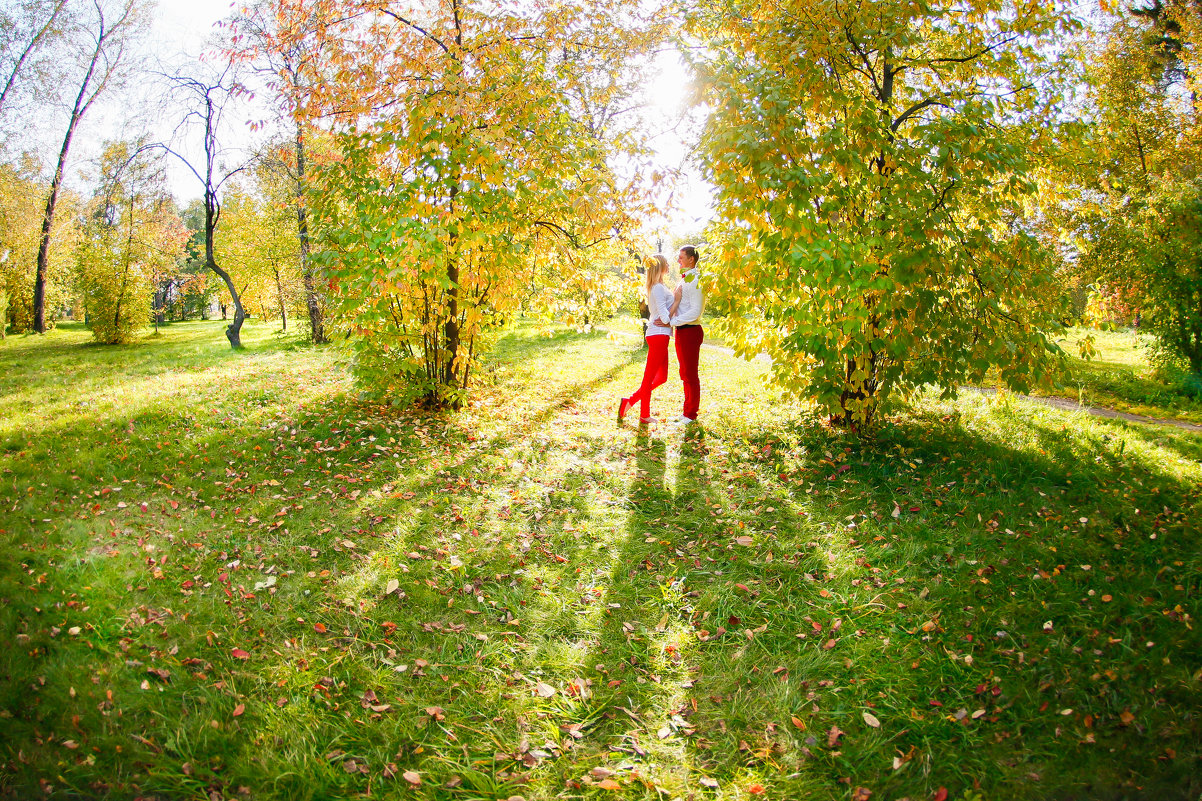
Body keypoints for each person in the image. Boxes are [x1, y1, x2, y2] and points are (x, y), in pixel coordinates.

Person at [619, 254, 678, 423]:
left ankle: (638, 408)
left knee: (661, 377)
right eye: (666, 263)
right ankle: (635, 407)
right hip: (658, 334)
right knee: (650, 377)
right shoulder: (658, 288)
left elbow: (664, 310)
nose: (668, 265)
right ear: (659, 266)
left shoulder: (660, 286)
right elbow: (662, 313)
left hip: (660, 334)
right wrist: (670, 321)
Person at [658, 246, 704, 424]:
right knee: (684, 372)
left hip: (691, 331)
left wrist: (671, 322)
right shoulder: (684, 280)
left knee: (690, 374)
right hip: (682, 331)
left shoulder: (696, 280)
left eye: (681, 257)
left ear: (691, 259)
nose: (678, 260)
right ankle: (687, 411)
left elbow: (695, 311)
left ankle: (691, 414)